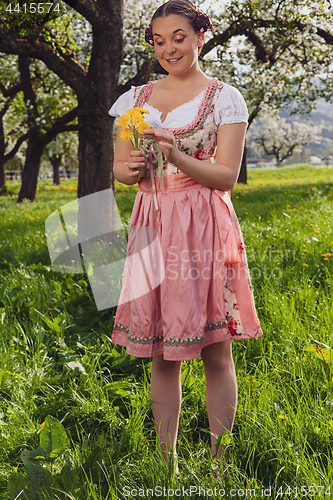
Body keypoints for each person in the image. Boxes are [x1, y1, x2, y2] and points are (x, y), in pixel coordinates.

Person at [108, 0, 263, 476]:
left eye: (179, 36)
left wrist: (176, 158)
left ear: (200, 36)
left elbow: (225, 176)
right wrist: (130, 169)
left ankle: (219, 462)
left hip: (204, 224)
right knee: (161, 350)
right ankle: (166, 460)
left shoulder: (224, 98)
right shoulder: (135, 100)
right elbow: (119, 170)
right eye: (158, 40)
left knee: (216, 349)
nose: (169, 47)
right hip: (152, 224)